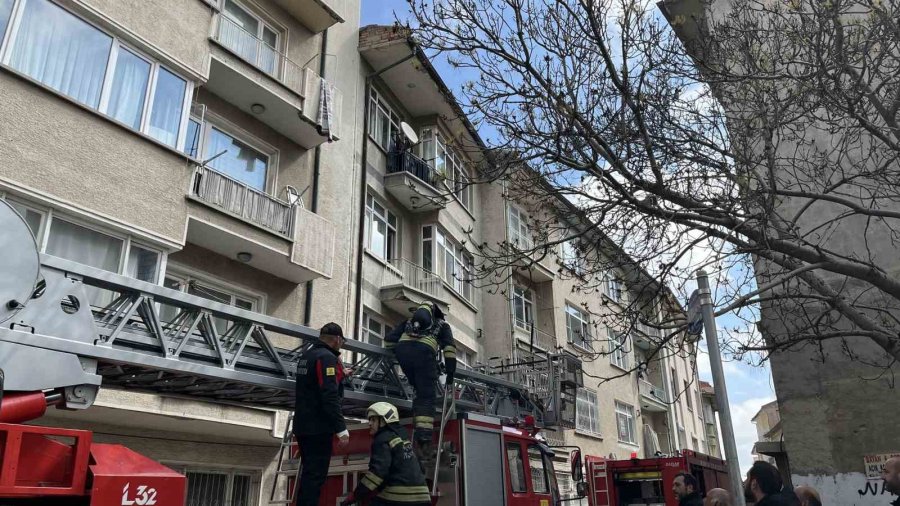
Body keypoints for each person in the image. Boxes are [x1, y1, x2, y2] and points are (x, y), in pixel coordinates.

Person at [385, 301, 457, 453]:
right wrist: (450, 373)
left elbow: (389, 341)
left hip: (403, 354)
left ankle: (417, 414)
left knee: (418, 388)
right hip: (424, 354)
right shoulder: (442, 325)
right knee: (426, 396)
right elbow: (449, 349)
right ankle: (424, 439)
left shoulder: (408, 322)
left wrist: (397, 353)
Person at [293, 322, 350, 506]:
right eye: (342, 342)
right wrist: (341, 428)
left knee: (309, 475)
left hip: (303, 425)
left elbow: (315, 382)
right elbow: (329, 394)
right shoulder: (327, 358)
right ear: (337, 339)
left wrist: (341, 374)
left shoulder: (307, 355)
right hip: (318, 427)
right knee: (315, 477)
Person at [340, 402, 432, 506]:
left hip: (400, 498)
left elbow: (376, 474)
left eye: (373, 420)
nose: (369, 423)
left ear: (384, 421)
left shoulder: (382, 439)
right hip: (423, 498)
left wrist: (355, 495)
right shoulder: (404, 438)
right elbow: (421, 468)